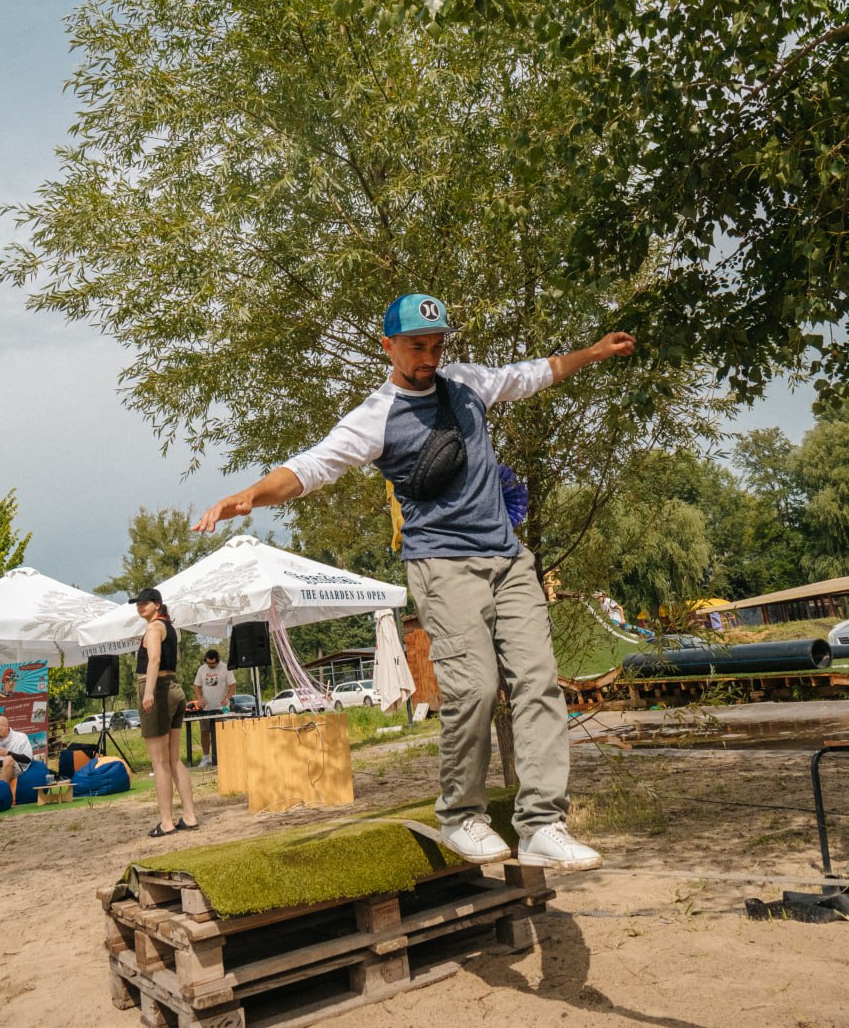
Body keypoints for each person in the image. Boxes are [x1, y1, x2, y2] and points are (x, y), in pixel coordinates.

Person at [194, 293, 635, 870]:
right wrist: (252, 493)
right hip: (443, 564)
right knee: (475, 688)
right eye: (416, 346)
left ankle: (542, 824)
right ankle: (460, 817)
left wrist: (593, 352)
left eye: (436, 344)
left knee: (539, 683)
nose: (429, 356)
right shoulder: (376, 415)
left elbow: (531, 375)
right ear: (389, 347)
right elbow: (311, 466)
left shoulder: (467, 384)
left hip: (508, 558)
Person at [131, 586, 198, 837]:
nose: (140, 607)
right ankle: (189, 816)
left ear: (157, 604)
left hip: (158, 689)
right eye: (137, 603)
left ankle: (167, 822)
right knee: (173, 759)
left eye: (144, 603)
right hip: (174, 688)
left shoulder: (153, 627)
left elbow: (154, 660)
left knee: (159, 762)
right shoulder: (171, 628)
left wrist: (148, 692)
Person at [192, 650, 235, 766]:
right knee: (205, 732)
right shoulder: (201, 669)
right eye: (208, 663)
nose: (211, 666)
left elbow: (232, 686)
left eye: (213, 664)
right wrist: (199, 698)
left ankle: (223, 755)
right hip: (206, 708)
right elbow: (196, 686)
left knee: (222, 731)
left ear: (218, 660)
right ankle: (206, 757)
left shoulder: (225, 668)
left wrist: (227, 698)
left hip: (221, 708)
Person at [0, 712, 33, 784]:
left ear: (5, 726)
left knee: (8, 759)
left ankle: (3, 790)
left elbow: (27, 759)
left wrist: (8, 753)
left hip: (16, 769)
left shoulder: (20, 737)